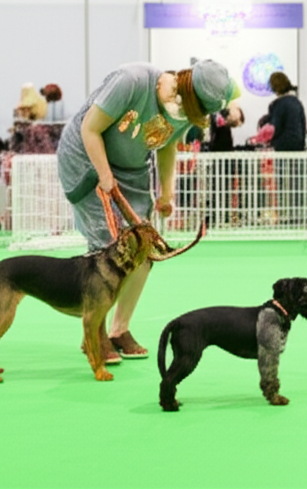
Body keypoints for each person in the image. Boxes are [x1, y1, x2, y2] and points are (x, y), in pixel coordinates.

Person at [57, 60, 238, 363]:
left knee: (143, 248)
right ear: (184, 89)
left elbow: (167, 145)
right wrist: (103, 174)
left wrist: (166, 192)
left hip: (131, 170)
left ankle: (119, 329)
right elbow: (90, 128)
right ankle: (94, 333)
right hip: (87, 158)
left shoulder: (185, 108)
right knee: (107, 250)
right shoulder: (132, 81)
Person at [268, 72, 307, 226]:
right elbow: (303, 126)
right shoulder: (297, 102)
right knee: (297, 184)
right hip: (298, 148)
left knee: (282, 183)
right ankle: (298, 216)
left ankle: (285, 217)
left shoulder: (277, 105)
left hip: (283, 148)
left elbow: (274, 129)